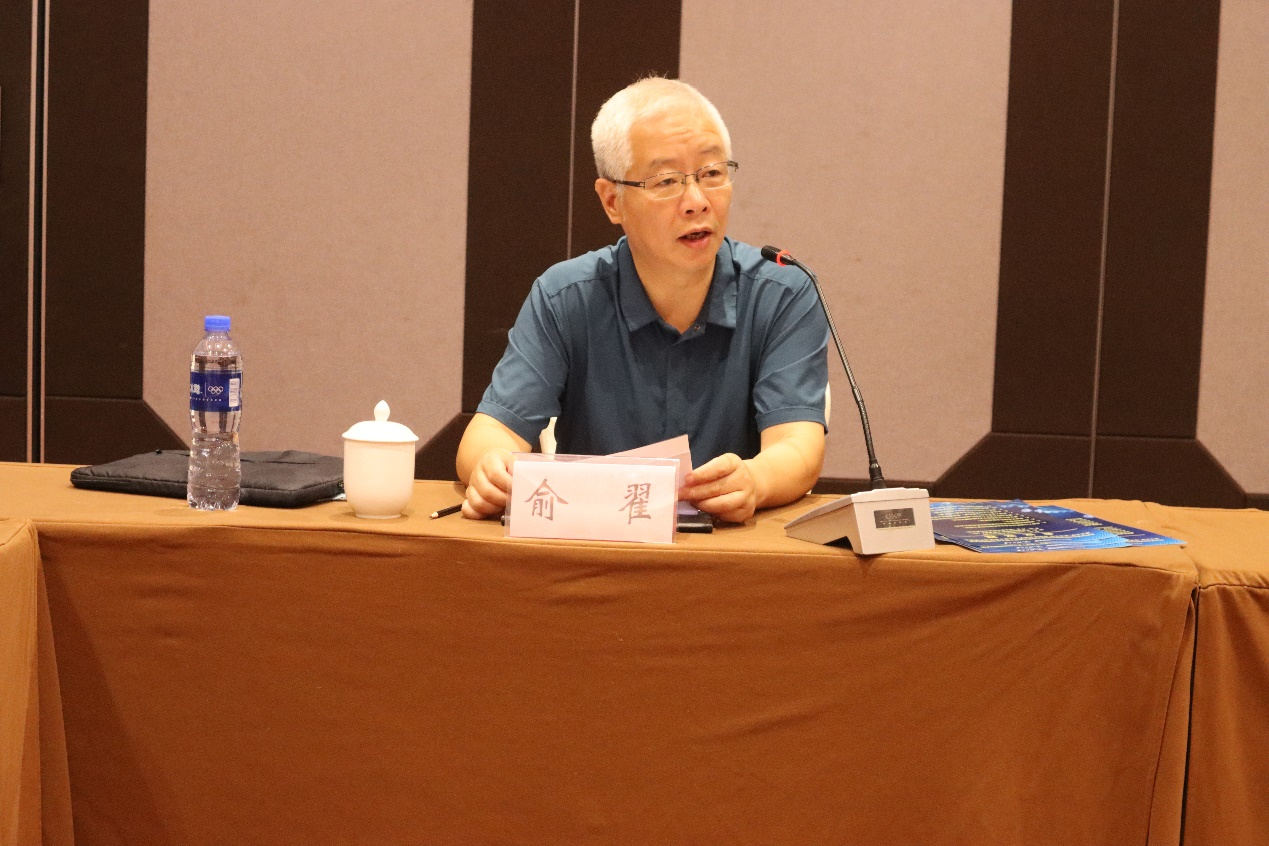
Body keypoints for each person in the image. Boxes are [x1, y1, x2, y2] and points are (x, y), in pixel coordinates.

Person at [456, 77, 829, 523]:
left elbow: (798, 446)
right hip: (597, 551)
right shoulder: (566, 297)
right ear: (612, 201)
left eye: (712, 174)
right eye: (666, 180)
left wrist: (756, 480)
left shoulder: (781, 292)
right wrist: (491, 467)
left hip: (727, 551)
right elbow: (489, 434)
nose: (696, 201)